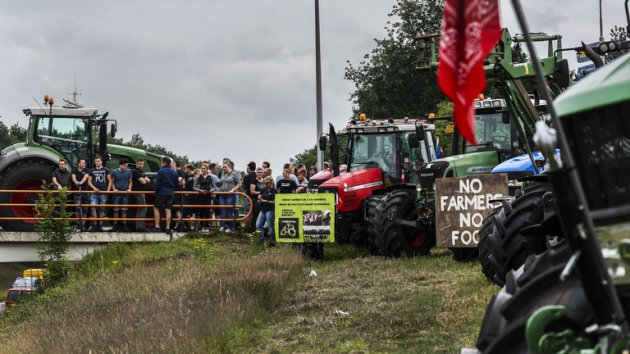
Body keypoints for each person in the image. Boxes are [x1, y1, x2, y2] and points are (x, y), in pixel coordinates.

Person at [153, 156, 178, 234]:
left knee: (156, 208)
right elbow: (176, 184)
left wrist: (156, 191)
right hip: (170, 193)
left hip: (162, 192)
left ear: (164, 162)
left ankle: (157, 226)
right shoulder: (174, 172)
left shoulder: (161, 171)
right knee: (168, 210)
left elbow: (158, 183)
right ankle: (168, 227)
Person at [87, 155, 112, 232]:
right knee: (93, 208)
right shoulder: (92, 170)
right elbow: (89, 181)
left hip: (103, 192)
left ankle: (100, 226)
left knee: (102, 209)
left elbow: (110, 180)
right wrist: (94, 188)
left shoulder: (106, 170)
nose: (97, 162)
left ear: (101, 162)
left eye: (98, 161)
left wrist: (107, 191)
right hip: (94, 193)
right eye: (96, 161)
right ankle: (94, 225)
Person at [111, 158, 133, 232]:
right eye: (124, 165)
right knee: (115, 210)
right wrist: (114, 189)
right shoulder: (114, 171)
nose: (125, 167)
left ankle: (124, 225)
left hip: (125, 193)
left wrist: (129, 189)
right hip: (117, 193)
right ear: (120, 165)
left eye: (126, 165)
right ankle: (115, 225)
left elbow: (130, 181)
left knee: (124, 210)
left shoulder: (128, 171)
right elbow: (112, 182)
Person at [219, 161, 241, 232]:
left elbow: (239, 183)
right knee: (222, 210)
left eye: (225, 167)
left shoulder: (234, 174)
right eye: (223, 167)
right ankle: (222, 226)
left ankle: (231, 227)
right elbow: (221, 182)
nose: (224, 168)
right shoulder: (222, 173)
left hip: (230, 194)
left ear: (229, 167)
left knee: (229, 210)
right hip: (222, 193)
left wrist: (233, 190)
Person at [256, 176, 277, 246]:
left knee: (270, 226)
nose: (266, 185)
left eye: (267, 184)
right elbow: (260, 195)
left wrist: (265, 201)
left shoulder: (275, 191)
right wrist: (259, 198)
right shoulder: (264, 189)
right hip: (262, 209)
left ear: (271, 183)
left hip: (270, 210)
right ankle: (261, 240)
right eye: (265, 184)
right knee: (258, 224)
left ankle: (272, 241)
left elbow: (276, 202)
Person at [193, 164, 215, 232]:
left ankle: (207, 225)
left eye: (204, 168)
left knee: (207, 211)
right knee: (201, 211)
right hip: (201, 194)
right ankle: (202, 226)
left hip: (208, 194)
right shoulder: (198, 177)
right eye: (202, 168)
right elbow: (194, 187)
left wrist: (210, 191)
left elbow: (214, 186)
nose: (203, 170)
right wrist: (200, 190)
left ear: (207, 169)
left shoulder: (210, 177)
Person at [131, 158, 151, 232]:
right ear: (136, 163)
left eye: (142, 164)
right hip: (138, 192)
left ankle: (139, 225)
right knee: (143, 208)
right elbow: (144, 182)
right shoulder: (135, 172)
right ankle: (140, 226)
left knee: (141, 209)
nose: (141, 165)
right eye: (139, 164)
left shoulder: (141, 171)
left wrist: (145, 180)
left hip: (141, 192)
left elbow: (148, 179)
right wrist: (145, 180)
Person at [70, 158, 90, 231]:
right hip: (77, 192)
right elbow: (73, 177)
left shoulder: (87, 170)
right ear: (78, 164)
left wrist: (81, 182)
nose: (84, 164)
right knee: (78, 208)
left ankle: (83, 224)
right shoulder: (74, 170)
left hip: (85, 192)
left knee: (85, 209)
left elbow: (86, 177)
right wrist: (76, 182)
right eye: (82, 163)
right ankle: (78, 224)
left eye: (84, 163)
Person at [242, 161, 257, 232]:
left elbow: (244, 187)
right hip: (256, 197)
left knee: (248, 214)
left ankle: (246, 228)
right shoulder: (257, 176)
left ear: (249, 168)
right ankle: (253, 228)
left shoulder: (246, 177)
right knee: (255, 214)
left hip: (248, 196)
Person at [172, 160, 186, 231]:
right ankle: (178, 224)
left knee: (177, 209)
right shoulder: (175, 172)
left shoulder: (179, 172)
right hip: (176, 193)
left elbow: (182, 183)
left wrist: (174, 183)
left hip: (177, 194)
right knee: (175, 209)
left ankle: (181, 223)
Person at [183, 163, 196, 231]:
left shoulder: (189, 178)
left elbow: (185, 187)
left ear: (189, 169)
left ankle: (189, 228)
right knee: (190, 213)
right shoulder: (190, 178)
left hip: (189, 198)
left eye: (185, 169)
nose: (184, 170)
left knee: (188, 213)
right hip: (191, 198)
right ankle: (191, 228)